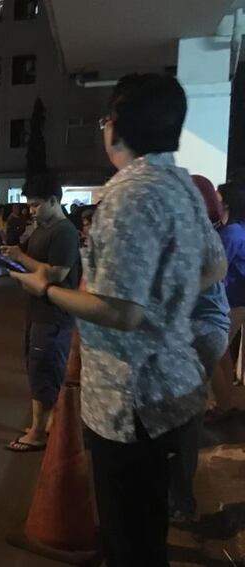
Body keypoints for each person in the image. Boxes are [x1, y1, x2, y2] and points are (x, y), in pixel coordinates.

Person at [10, 74, 228, 566]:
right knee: (147, 532)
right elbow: (213, 265)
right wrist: (166, 295)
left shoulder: (125, 196)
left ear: (120, 127)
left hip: (128, 405)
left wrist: (46, 288)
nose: (103, 129)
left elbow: (121, 312)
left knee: (128, 541)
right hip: (174, 387)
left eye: (105, 119)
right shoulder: (182, 185)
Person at [167, 175, 230, 523]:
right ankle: (180, 499)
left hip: (199, 331)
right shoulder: (202, 232)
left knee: (178, 417)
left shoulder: (191, 234)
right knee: (184, 416)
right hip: (207, 330)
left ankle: (180, 502)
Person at [2, 173, 81, 452]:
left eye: (36, 205)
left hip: (54, 314)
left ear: (54, 200)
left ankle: (38, 433)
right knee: (37, 367)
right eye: (30, 206)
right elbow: (38, 265)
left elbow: (57, 274)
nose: (32, 211)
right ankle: (45, 425)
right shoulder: (42, 229)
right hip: (37, 311)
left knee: (44, 369)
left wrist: (21, 260)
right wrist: (14, 257)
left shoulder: (64, 232)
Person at [217, 182, 245, 386]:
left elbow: (216, 269)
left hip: (231, 301)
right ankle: (225, 403)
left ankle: (220, 404)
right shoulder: (238, 229)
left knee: (217, 352)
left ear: (228, 204)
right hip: (236, 300)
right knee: (223, 353)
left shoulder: (231, 232)